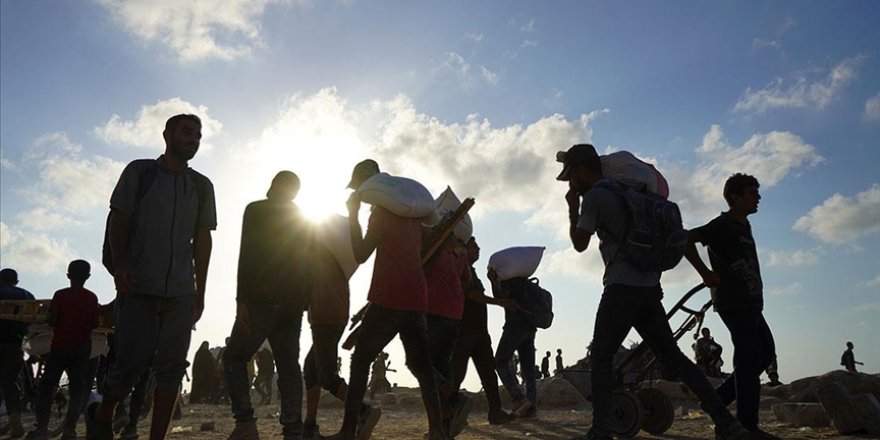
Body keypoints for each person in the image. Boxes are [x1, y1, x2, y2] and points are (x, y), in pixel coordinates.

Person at [558, 143, 750, 440]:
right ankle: (726, 422)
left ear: (583, 171)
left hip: (622, 286)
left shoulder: (596, 196)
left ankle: (600, 429)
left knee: (602, 357)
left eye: (572, 176)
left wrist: (572, 209)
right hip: (649, 288)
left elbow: (580, 243)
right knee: (673, 358)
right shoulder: (633, 194)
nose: (571, 183)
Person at [88, 113, 216, 440]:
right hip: (139, 284)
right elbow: (119, 219)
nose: (193, 139)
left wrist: (200, 291)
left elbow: (203, 239)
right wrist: (121, 266)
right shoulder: (140, 172)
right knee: (132, 362)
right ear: (167, 135)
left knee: (172, 367)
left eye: (197, 136)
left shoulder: (202, 186)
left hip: (181, 291)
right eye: (186, 132)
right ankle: (103, 414)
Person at [325, 159, 443, 440]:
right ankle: (438, 429)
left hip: (389, 297)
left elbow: (361, 254)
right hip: (416, 297)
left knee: (360, 360)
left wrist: (352, 216)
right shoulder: (414, 216)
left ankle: (347, 431)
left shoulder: (379, 213)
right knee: (423, 367)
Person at [684, 172, 780, 440]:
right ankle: (746, 424)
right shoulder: (721, 225)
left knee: (764, 353)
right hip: (733, 301)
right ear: (734, 197)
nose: (757, 197)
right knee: (749, 355)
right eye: (752, 193)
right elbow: (685, 241)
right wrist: (705, 273)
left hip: (752, 302)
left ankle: (715, 401)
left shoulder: (743, 226)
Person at [223, 171, 314, 440]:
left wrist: (242, 300)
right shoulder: (304, 217)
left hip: (261, 299)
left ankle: (245, 423)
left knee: (234, 357)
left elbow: (247, 254)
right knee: (288, 365)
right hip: (292, 303)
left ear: (275, 186)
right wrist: (304, 300)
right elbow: (309, 260)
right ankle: (293, 429)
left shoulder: (256, 210)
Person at [29, 260, 100, 440]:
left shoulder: (60, 295)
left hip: (60, 346)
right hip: (82, 348)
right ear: (88, 277)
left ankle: (42, 429)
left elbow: (52, 321)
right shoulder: (92, 297)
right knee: (77, 390)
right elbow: (94, 323)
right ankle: (70, 430)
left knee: (47, 387)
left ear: (68, 275)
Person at [451, 238, 516, 425]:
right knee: (456, 375)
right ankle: (449, 415)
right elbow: (472, 295)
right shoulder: (460, 269)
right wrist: (501, 303)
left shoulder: (472, 272)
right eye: (474, 247)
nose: (478, 249)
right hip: (464, 331)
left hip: (479, 331)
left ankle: (495, 413)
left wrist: (494, 283)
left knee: (488, 373)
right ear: (463, 249)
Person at [302, 241, 351, 439]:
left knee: (326, 376)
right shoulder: (335, 255)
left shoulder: (310, 253)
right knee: (310, 367)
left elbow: (304, 289)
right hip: (336, 314)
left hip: (324, 316)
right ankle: (310, 424)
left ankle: (364, 411)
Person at [489, 271, 538, 419]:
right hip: (529, 328)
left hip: (514, 328)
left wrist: (493, 281)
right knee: (528, 370)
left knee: (499, 362)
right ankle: (531, 409)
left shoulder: (509, 282)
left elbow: (499, 297)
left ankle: (518, 398)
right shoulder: (527, 283)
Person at [0, 268, 35, 438]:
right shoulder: (27, 295)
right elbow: (33, 322)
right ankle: (15, 417)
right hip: (14, 344)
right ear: (17, 281)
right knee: (9, 381)